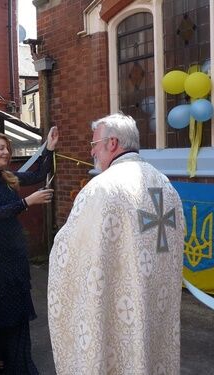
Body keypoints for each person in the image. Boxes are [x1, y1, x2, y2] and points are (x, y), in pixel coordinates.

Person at [48, 113, 185, 375]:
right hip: (156, 301)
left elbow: (70, 250)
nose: (92, 152)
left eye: (94, 145)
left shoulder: (102, 188)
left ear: (112, 143)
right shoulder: (164, 184)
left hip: (119, 307)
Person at [0, 127, 58, 374]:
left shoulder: (7, 177)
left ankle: (16, 358)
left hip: (14, 249)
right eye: (1, 148)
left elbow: (40, 173)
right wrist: (28, 202)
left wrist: (48, 147)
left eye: (7, 148)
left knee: (14, 305)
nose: (6, 152)